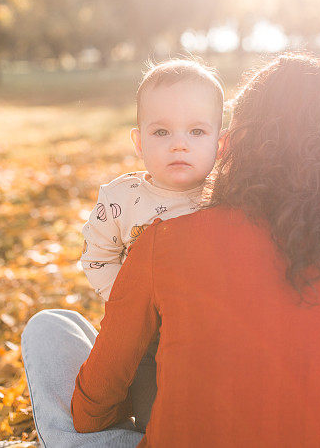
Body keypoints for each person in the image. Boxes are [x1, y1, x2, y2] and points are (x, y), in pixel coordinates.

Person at [20, 52, 320, 447]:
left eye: (197, 132)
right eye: (161, 132)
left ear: (232, 142)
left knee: (52, 327)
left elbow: (95, 403)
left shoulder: (167, 239)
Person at [79, 58, 226, 432]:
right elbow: (98, 255)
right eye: (161, 133)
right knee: (153, 417)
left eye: (197, 131)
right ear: (138, 141)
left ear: (219, 143)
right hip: (143, 336)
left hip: (206, 334)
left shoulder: (225, 199)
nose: (179, 144)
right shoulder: (121, 198)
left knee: (206, 411)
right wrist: (130, 301)